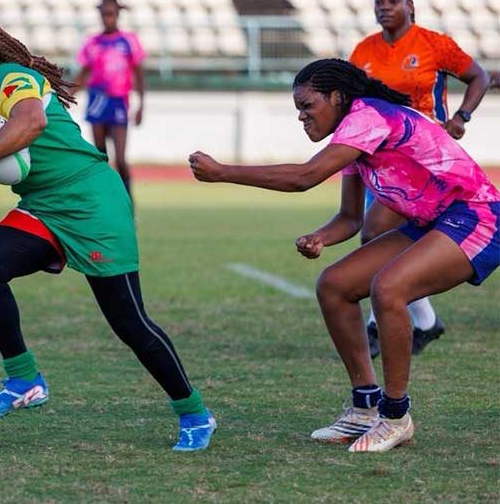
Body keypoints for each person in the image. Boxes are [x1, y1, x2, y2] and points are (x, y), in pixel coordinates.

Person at [189, 59, 499, 452]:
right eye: (298, 109)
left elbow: (305, 177)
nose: (301, 116)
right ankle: (365, 406)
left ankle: (395, 415)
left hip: (477, 216)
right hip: (432, 222)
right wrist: (321, 237)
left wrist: (224, 173)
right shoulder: (353, 138)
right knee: (334, 285)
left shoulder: (367, 117)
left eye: (307, 105)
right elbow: (350, 219)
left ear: (337, 97)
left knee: (388, 288)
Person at [0, 20, 214, 451]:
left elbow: (30, 121)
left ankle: (195, 413)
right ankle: (23, 380)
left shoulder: (14, 79)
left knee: (129, 322)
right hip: (42, 207)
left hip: (92, 202)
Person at [348, 0, 491, 356]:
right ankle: (423, 321)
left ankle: (383, 321)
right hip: (381, 160)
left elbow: (480, 76)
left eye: (393, 0)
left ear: (410, 4)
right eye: (379, 1)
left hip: (426, 159)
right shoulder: (363, 51)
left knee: (376, 230)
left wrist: (462, 116)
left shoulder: (433, 44)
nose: (384, 7)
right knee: (377, 235)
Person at [72, 0, 145, 198]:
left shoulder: (128, 41)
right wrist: (67, 95)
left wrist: (141, 106)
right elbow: (83, 74)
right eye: (104, 15)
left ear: (117, 15)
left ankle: (128, 202)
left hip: (119, 101)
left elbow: (139, 73)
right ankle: (105, 201)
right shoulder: (92, 43)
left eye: (111, 14)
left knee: (120, 159)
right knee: (100, 156)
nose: (107, 18)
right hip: (97, 101)